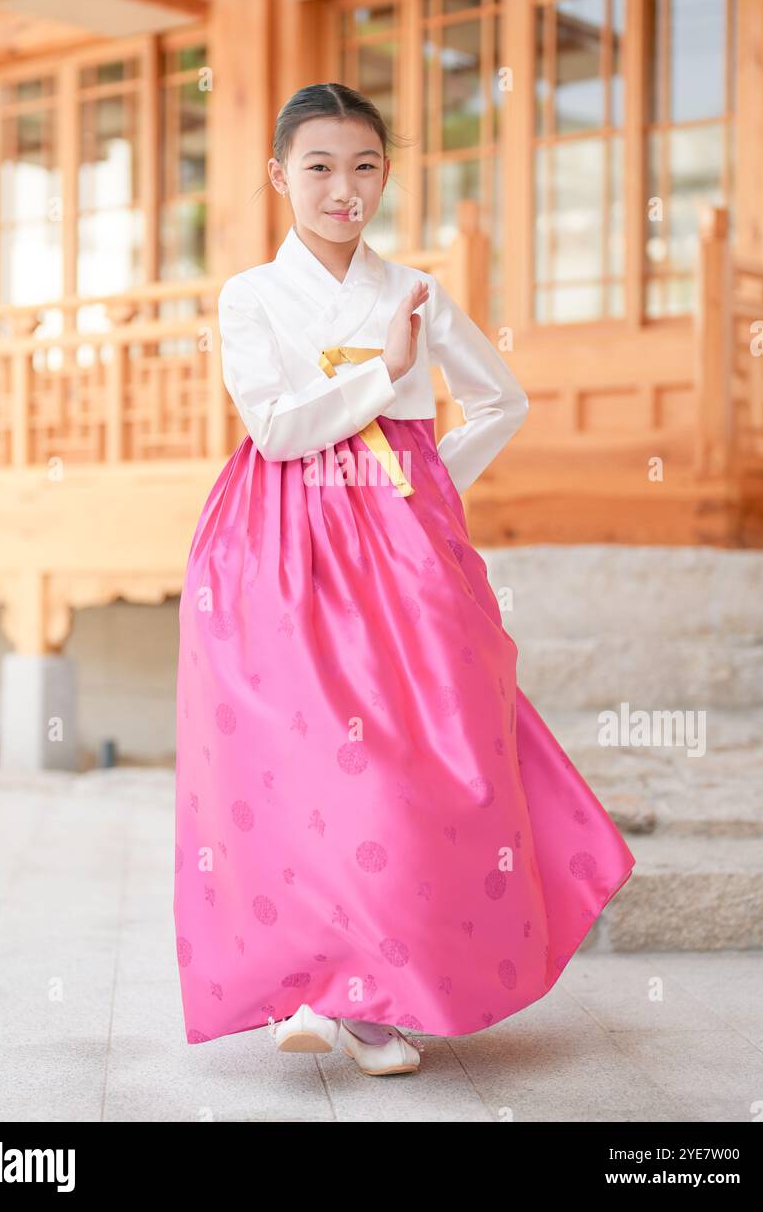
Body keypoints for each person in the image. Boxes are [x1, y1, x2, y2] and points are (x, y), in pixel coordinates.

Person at [173, 82, 636, 1078]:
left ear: (386, 171)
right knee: (292, 759)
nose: (344, 188)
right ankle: (315, 986)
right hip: (276, 545)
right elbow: (275, 427)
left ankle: (377, 999)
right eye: (320, 167)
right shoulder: (249, 295)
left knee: (419, 756)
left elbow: (497, 400)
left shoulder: (415, 289)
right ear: (278, 177)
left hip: (400, 550)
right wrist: (384, 376)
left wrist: (425, 493)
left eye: (365, 166)